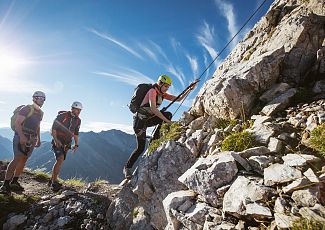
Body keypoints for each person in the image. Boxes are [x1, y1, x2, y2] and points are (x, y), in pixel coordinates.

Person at [123, 75, 197, 179]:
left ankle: (154, 141)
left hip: (147, 119)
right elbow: (153, 109)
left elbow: (178, 99)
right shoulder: (152, 91)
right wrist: (168, 122)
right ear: (160, 83)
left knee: (168, 114)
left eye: (168, 86)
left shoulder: (162, 94)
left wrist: (189, 89)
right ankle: (127, 168)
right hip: (139, 122)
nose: (167, 88)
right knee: (140, 148)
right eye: (166, 86)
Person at [0, 91, 46, 194]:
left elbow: (37, 126)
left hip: (32, 138)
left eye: (43, 99)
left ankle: (15, 181)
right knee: (16, 158)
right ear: (34, 98)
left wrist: (38, 138)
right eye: (40, 98)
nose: (42, 101)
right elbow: (17, 123)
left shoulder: (40, 113)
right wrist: (21, 136)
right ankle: (5, 184)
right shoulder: (26, 109)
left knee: (24, 159)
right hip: (21, 135)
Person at [49, 101, 82, 191]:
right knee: (60, 159)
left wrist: (76, 144)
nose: (79, 112)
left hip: (67, 143)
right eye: (77, 109)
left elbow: (75, 133)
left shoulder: (78, 121)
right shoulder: (62, 116)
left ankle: (52, 180)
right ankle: (54, 183)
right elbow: (53, 128)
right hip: (58, 140)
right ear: (72, 108)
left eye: (80, 110)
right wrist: (56, 140)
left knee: (61, 160)